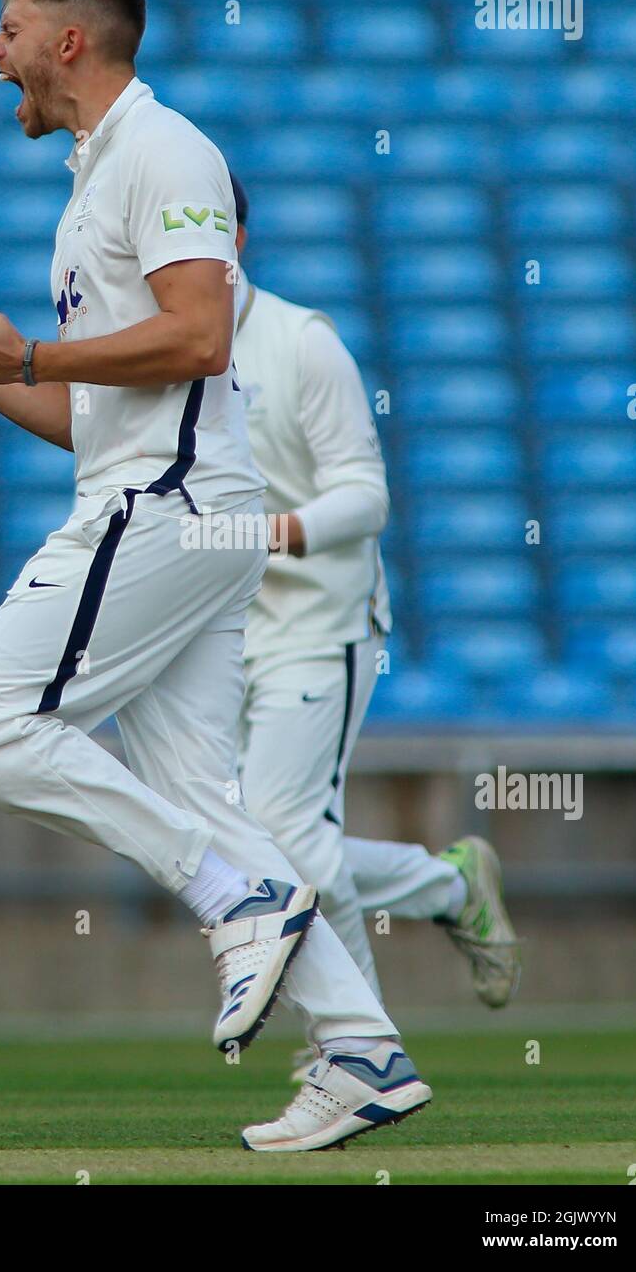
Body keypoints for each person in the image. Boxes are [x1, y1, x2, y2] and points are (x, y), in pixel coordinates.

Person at [0, 0, 430, 1153]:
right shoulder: (96, 176)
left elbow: (197, 340)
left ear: (67, 39)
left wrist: (33, 348)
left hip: (170, 507)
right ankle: (360, 1052)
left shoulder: (166, 149)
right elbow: (86, 415)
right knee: (195, 791)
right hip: (154, 496)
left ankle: (236, 897)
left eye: (9, 30)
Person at [230, 175, 521, 1081]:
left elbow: (367, 496)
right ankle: (449, 884)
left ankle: (354, 1056)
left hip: (322, 620)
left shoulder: (300, 343)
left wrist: (271, 534)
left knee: (292, 834)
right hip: (221, 635)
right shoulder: (155, 351)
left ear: (232, 238)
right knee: (246, 838)